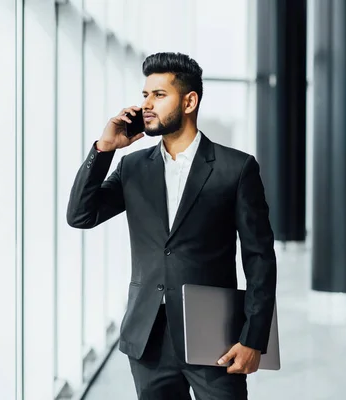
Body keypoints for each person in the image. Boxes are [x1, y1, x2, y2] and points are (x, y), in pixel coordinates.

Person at [67, 52, 277, 400]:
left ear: (190, 101)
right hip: (148, 341)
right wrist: (104, 149)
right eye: (145, 94)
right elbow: (81, 215)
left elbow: (259, 259)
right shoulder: (133, 167)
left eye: (159, 95)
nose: (146, 104)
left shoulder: (235, 169)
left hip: (215, 336)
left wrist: (254, 338)